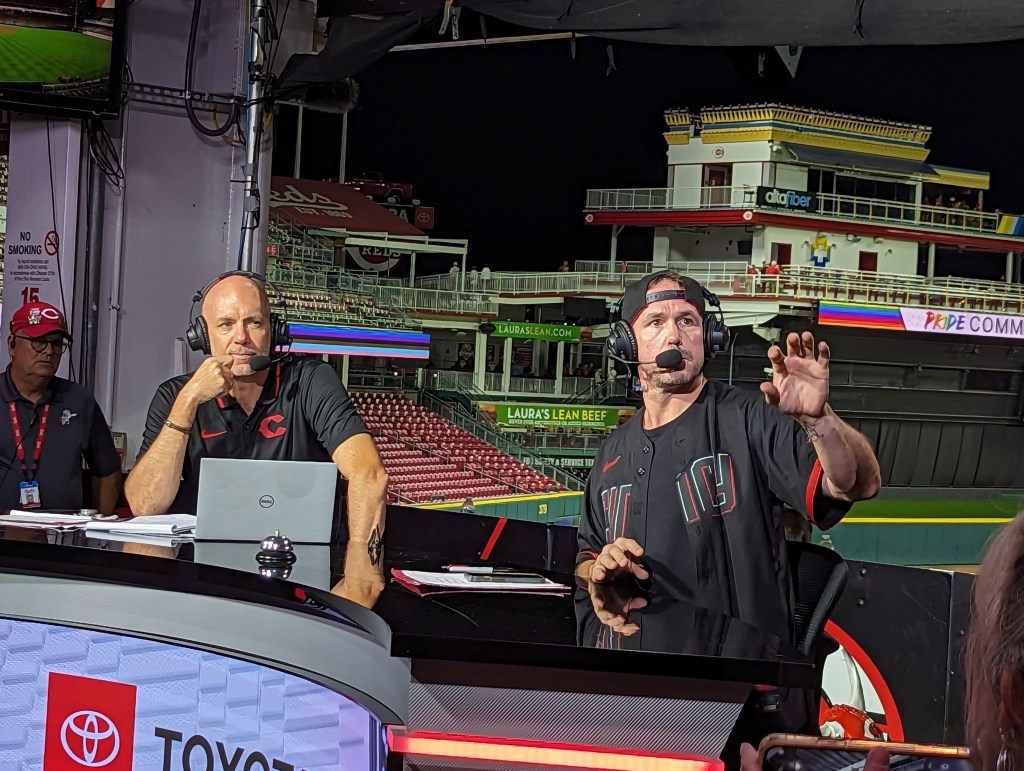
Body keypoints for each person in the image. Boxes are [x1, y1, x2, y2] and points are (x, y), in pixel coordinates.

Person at [576, 270, 881, 640]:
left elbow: (857, 484)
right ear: (627, 344)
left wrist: (820, 421)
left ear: (710, 336)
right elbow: (586, 557)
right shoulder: (611, 451)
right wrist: (599, 569)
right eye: (655, 322)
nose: (674, 336)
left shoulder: (751, 417)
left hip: (740, 664)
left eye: (687, 321)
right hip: (636, 666)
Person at [125, 273, 388, 557]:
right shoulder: (175, 395)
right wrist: (187, 402)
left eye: (254, 322)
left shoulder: (312, 381)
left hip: (301, 564)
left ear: (273, 330)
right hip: (203, 569)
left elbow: (368, 474)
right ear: (202, 336)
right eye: (226, 324)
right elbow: (145, 505)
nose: (241, 338)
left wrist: (362, 565)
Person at [0, 302, 122, 513]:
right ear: (12, 345)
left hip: (63, 528)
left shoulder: (78, 399)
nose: (49, 351)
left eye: (57, 344)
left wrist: (98, 525)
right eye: (38, 342)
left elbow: (107, 470)